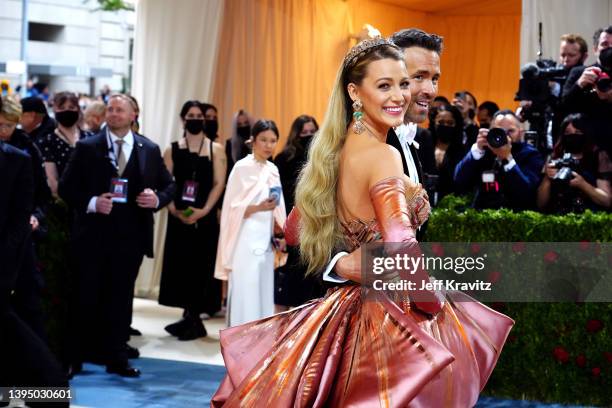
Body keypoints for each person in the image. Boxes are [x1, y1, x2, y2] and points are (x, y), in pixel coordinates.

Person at [211, 38, 513, 407]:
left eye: (405, 83)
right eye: (386, 85)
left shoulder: (333, 152)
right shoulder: (381, 154)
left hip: (347, 310)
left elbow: (293, 230)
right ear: (355, 92)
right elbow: (401, 243)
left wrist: (351, 259)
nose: (403, 94)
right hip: (387, 314)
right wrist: (433, 303)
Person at [58, 94, 175, 378]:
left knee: (121, 299)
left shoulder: (149, 148)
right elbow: (66, 188)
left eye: (119, 109)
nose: (113, 113)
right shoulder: (87, 147)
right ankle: (74, 358)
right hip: (93, 237)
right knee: (85, 296)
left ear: (134, 114)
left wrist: (157, 199)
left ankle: (116, 356)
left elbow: (169, 185)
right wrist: (92, 202)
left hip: (131, 239)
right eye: (109, 109)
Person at [0, 117, 68, 407]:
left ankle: (49, 393)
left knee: (17, 327)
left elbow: (20, 219)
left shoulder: (18, 160)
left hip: (10, 262)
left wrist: (4, 264)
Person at [159, 101, 227, 340]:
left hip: (205, 219)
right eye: (191, 115)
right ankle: (188, 316)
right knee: (180, 266)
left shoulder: (216, 149)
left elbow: (219, 183)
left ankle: (195, 318)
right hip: (179, 217)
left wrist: (205, 210)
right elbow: (165, 183)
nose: (196, 118)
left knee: (202, 266)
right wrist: (173, 209)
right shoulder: (172, 149)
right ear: (183, 119)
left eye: (199, 115)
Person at [214, 119, 287, 327]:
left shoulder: (273, 169)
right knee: (246, 290)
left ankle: (260, 341)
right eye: (263, 140)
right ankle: (240, 340)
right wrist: (258, 207)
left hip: (266, 240)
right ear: (252, 140)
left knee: (263, 289)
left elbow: (279, 207)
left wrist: (282, 233)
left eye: (273, 141)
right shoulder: (241, 168)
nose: (268, 145)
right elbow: (231, 209)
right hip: (243, 239)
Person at [0, 96, 50, 340]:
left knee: (26, 307)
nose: (3, 131)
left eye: (8, 125)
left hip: (14, 243)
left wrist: (34, 216)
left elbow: (39, 196)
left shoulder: (24, 151)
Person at [273, 115, 324, 309]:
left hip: (316, 223)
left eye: (312, 132)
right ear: (296, 134)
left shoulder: (321, 157)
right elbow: (279, 195)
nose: (309, 136)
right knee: (291, 278)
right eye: (304, 133)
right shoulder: (284, 158)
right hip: (292, 223)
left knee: (312, 278)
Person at [454, 109, 545, 210]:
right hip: (483, 215)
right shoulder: (483, 151)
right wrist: (477, 150)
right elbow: (459, 180)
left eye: (510, 131)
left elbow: (527, 192)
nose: (505, 136)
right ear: (490, 131)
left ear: (520, 132)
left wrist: (508, 158)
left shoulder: (530, 154)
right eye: (499, 131)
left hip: (516, 217)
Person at [537, 113, 611, 213]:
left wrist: (582, 184)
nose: (572, 136)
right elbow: (540, 204)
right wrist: (547, 178)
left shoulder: (599, 156)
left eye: (578, 132)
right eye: (568, 133)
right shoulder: (554, 157)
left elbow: (606, 200)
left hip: (589, 217)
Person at [39, 92, 91, 197]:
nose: (67, 111)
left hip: (91, 201)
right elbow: (52, 180)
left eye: (71, 107)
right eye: (62, 108)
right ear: (54, 110)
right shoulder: (47, 141)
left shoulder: (90, 137)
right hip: (63, 202)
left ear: (78, 109)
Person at [429, 104, 468, 201]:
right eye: (441, 122)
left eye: (450, 123)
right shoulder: (423, 145)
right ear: (434, 122)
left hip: (450, 205)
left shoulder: (462, 151)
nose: (445, 126)